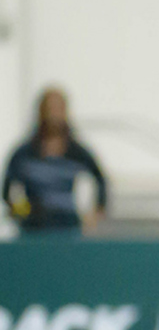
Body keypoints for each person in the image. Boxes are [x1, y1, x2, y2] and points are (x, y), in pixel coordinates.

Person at [4, 87, 109, 234]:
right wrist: (21, 211)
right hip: (32, 228)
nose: (53, 114)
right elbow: (7, 189)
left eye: (58, 109)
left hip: (67, 226)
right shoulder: (24, 154)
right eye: (49, 108)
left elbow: (100, 179)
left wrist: (96, 211)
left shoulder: (76, 153)